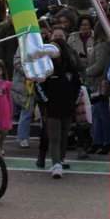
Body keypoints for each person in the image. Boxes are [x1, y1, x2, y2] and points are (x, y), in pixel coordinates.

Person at [37, 28, 81, 178]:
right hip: (52, 107)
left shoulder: (71, 67)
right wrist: (46, 102)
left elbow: (78, 86)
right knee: (54, 136)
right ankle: (56, 164)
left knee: (63, 136)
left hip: (68, 107)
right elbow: (39, 85)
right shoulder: (47, 67)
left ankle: (60, 159)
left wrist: (74, 103)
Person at [84, 23, 110, 155]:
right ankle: (99, 140)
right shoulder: (105, 45)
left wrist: (86, 71)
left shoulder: (101, 45)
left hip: (99, 83)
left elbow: (100, 64)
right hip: (99, 83)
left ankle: (106, 141)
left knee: (101, 113)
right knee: (97, 113)